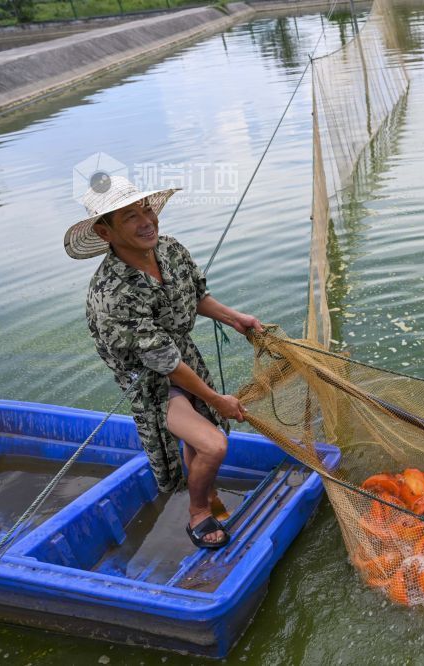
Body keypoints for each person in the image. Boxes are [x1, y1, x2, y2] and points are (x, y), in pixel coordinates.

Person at [64, 175, 264, 549]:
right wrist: (217, 399)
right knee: (213, 445)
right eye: (130, 217)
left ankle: (207, 491)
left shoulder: (169, 249)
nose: (147, 222)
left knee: (201, 436)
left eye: (147, 210)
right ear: (105, 232)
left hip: (182, 359)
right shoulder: (112, 293)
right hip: (150, 382)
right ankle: (198, 512)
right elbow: (164, 363)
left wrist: (236, 319)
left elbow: (195, 296)